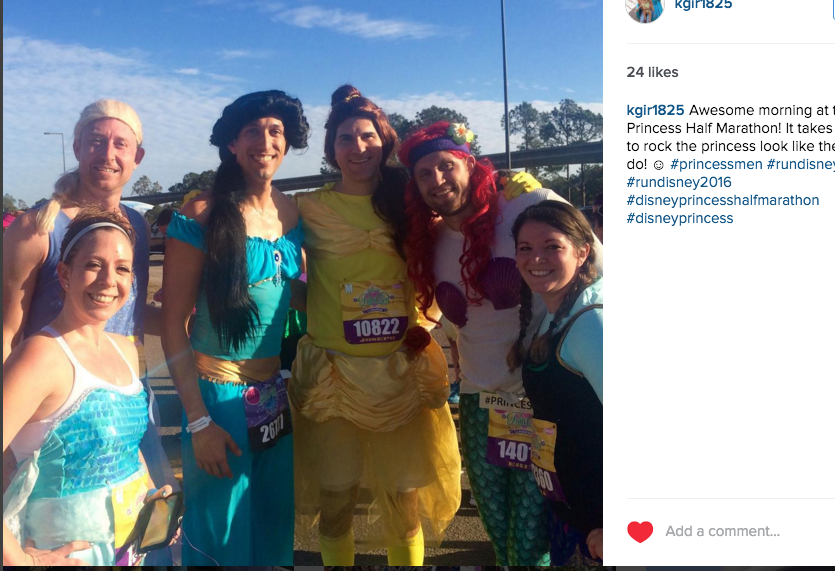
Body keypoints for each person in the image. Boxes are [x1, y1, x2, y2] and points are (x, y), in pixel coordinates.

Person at [398, 121, 602, 565]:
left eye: (446, 166)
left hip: (539, 402)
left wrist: (554, 334)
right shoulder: (432, 240)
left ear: (470, 164)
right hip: (478, 402)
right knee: (498, 531)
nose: (437, 180)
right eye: (424, 173)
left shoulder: (526, 204)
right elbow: (454, 317)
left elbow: (596, 266)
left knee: (530, 540)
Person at [288, 85, 461, 566]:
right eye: (345, 138)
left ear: (384, 141)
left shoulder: (411, 203)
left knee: (404, 504)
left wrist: (428, 320)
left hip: (398, 374)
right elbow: (258, 230)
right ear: (331, 149)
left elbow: (453, 247)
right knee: (335, 501)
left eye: (367, 136)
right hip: (332, 377)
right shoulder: (306, 206)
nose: (358, 147)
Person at [1, 101, 177, 546]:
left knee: (143, 533)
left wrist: (195, 324)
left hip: (127, 399)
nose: (107, 153)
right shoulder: (36, 229)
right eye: (96, 141)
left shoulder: (136, 226)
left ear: (137, 157)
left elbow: (127, 310)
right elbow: (7, 333)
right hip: (55, 416)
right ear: (78, 146)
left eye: (121, 144)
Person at [160, 90, 308, 566]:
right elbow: (172, 324)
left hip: (272, 396)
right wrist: (198, 421)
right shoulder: (201, 213)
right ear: (231, 144)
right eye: (252, 131)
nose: (265, 141)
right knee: (219, 537)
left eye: (275, 131)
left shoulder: (292, 212)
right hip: (215, 400)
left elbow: (296, 297)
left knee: (270, 525)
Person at [507, 200, 603, 566]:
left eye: (552, 246)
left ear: (582, 252)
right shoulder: (557, 314)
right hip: (573, 512)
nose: (536, 258)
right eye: (525, 248)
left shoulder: (591, 323)